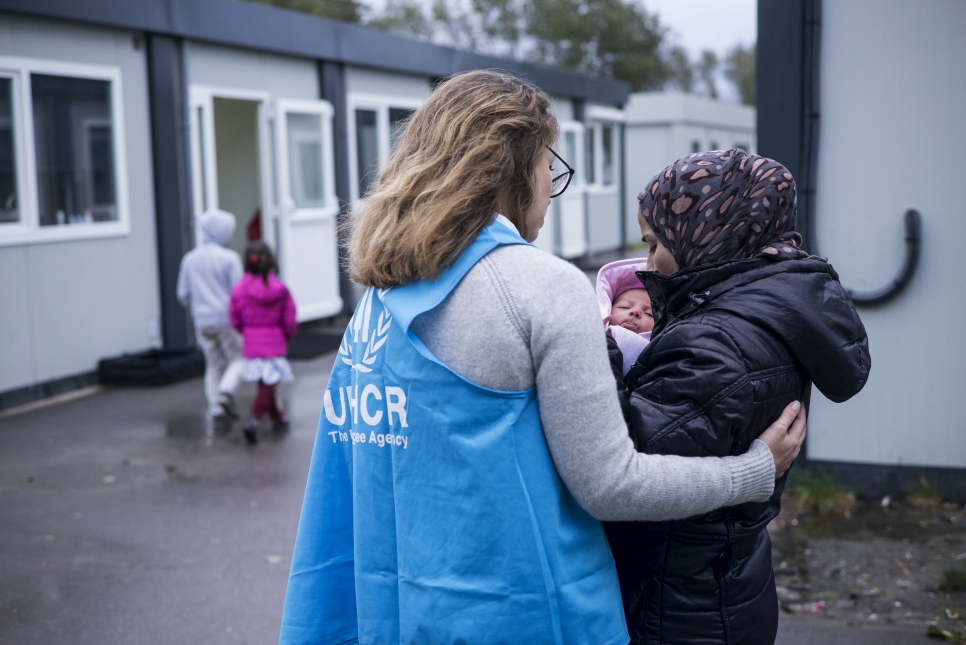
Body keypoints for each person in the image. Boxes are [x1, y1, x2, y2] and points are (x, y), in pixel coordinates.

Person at [278, 71, 806, 645]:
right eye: (547, 167)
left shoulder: (380, 297)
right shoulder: (541, 286)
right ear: (514, 168)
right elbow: (612, 485)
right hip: (517, 614)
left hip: (397, 611)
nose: (549, 189)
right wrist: (752, 472)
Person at [606, 149, 871, 645]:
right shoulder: (768, 308)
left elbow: (622, 465)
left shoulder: (713, 342)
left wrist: (592, 346)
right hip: (726, 583)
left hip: (679, 609)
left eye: (654, 243)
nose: (646, 267)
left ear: (706, 234)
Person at [176, 208, 244, 426]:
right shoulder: (230, 258)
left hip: (202, 321)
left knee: (213, 364)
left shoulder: (189, 259)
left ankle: (216, 408)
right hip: (226, 320)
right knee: (240, 358)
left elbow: (182, 294)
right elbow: (239, 292)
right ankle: (226, 391)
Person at [229, 242, 298, 445]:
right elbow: (290, 319)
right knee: (268, 384)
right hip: (274, 343)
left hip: (252, 343)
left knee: (265, 385)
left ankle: (278, 418)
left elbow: (235, 318)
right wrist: (287, 335)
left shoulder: (239, 289)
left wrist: (247, 332)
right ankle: (253, 420)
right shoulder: (281, 289)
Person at [597, 258, 654, 378]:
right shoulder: (594, 343)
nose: (635, 311)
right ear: (608, 310)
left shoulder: (662, 353)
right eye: (624, 307)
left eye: (649, 313)